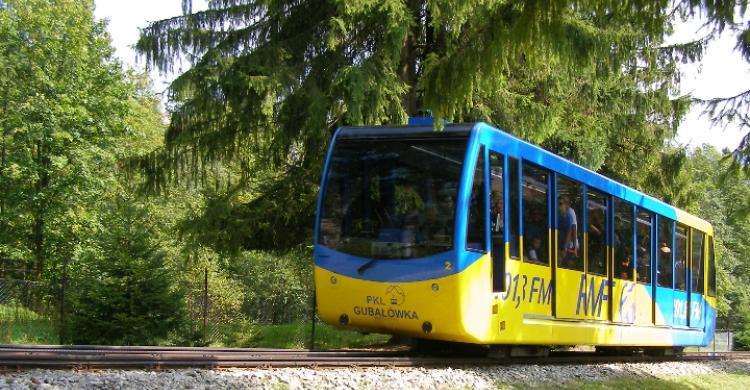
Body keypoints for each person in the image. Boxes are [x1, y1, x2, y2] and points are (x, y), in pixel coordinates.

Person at [558, 196, 579, 268]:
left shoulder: (569, 215)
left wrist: (566, 248)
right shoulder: (558, 215)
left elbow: (570, 231)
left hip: (566, 246)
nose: (558, 206)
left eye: (560, 204)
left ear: (566, 205)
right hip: (559, 244)